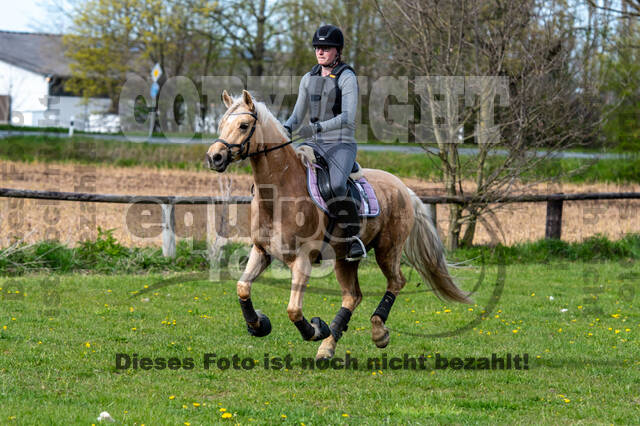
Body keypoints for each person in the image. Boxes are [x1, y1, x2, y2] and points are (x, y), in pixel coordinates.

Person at [283, 24, 365, 261]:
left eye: (326, 48)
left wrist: (318, 127)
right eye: (318, 47)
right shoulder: (308, 79)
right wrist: (285, 128)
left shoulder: (347, 77)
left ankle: (353, 237)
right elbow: (297, 116)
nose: (320, 51)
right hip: (315, 144)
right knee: (290, 176)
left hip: (341, 145)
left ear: (337, 51)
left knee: (337, 186)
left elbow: (348, 117)